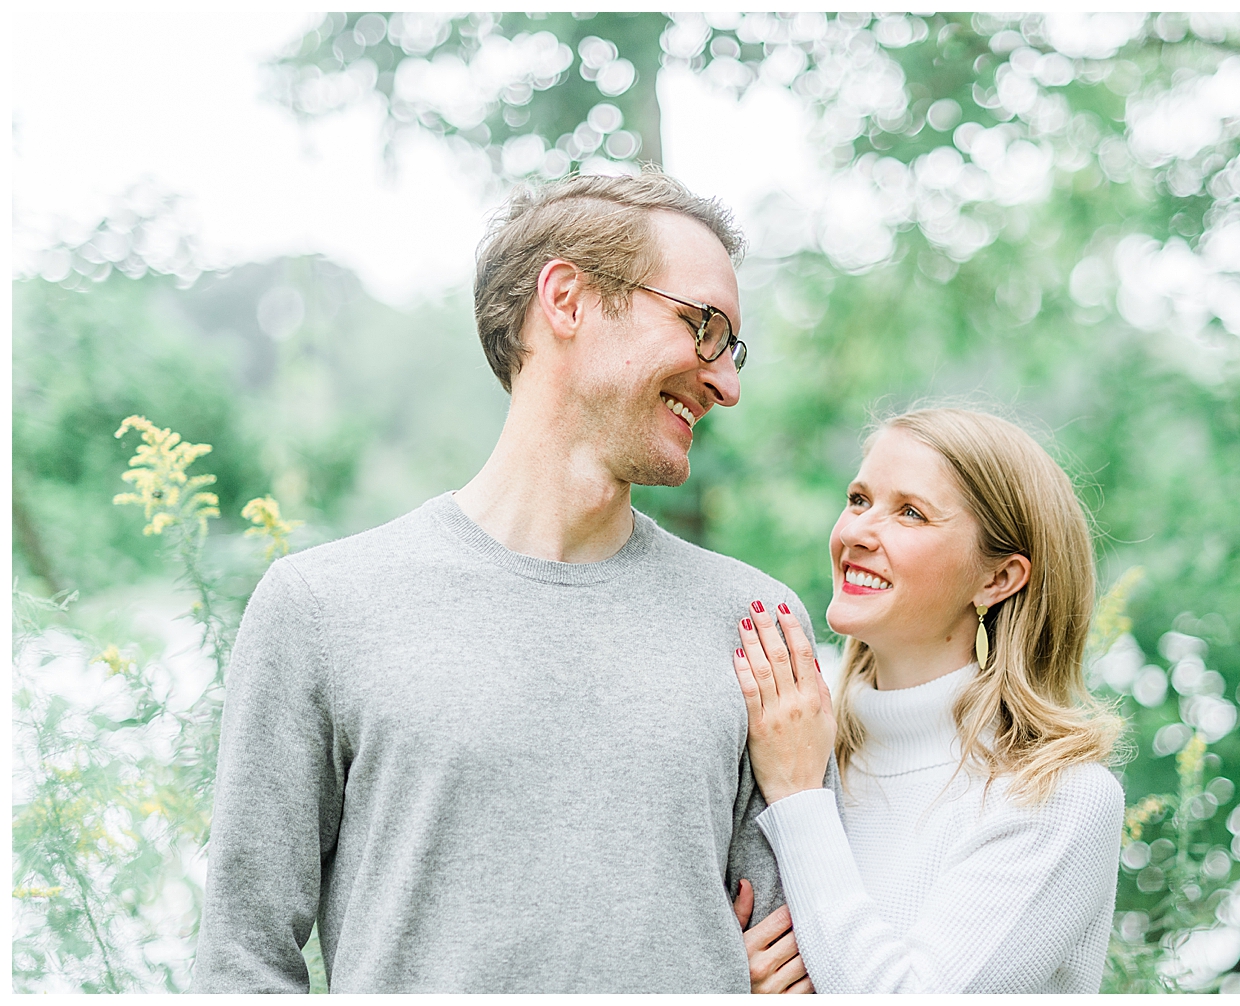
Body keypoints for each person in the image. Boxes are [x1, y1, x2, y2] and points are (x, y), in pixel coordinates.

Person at [191, 171, 831, 993]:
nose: (727, 383)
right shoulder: (320, 608)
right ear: (566, 299)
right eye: (704, 326)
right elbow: (242, 966)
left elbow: (791, 954)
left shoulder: (754, 622)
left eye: (732, 347)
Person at [729, 407, 1125, 993]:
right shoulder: (790, 740)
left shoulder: (1058, 799)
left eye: (910, 513)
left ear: (997, 579)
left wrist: (798, 795)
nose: (856, 533)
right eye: (859, 499)